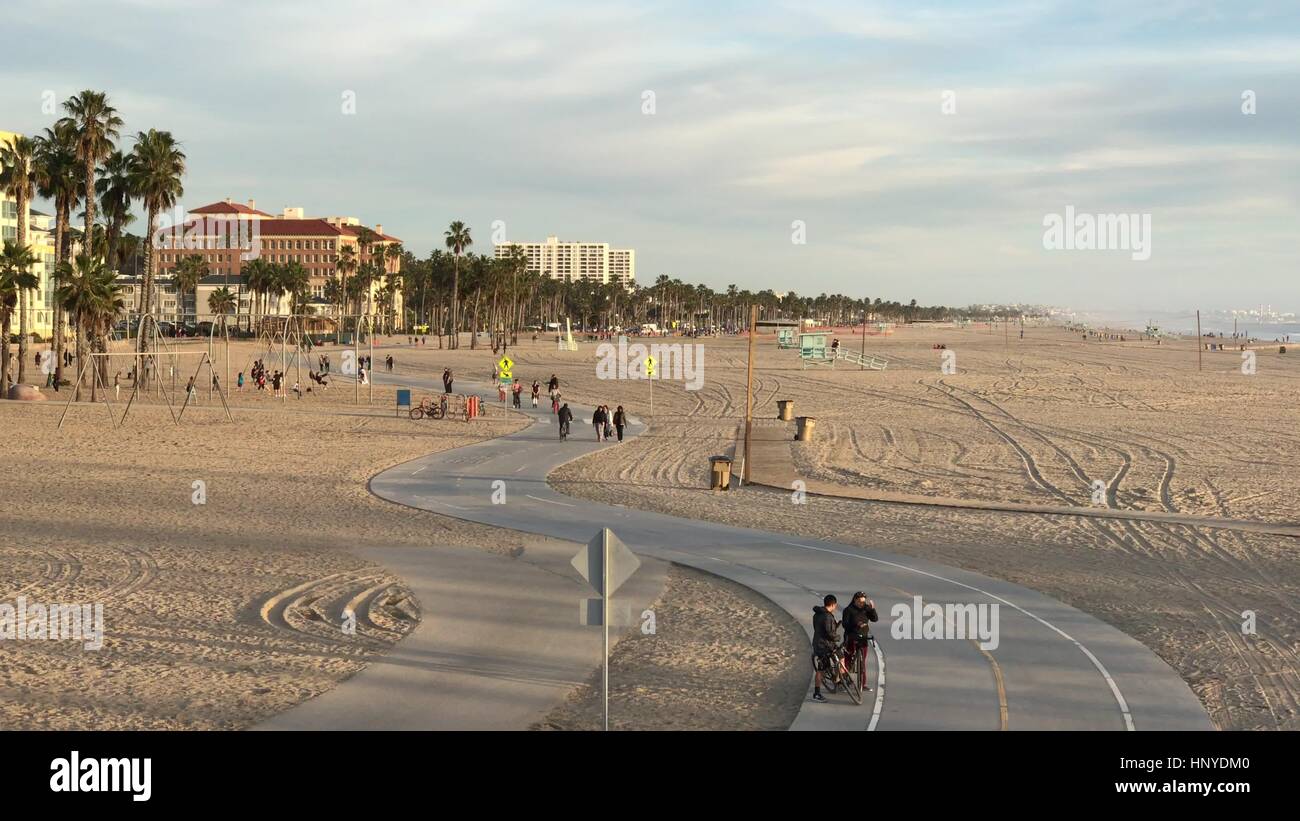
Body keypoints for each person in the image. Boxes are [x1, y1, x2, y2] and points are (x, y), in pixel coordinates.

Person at [841, 592, 879, 692]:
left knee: (862, 662)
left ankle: (863, 684)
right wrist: (856, 625)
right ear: (855, 600)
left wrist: (872, 609)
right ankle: (845, 681)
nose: (862, 604)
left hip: (863, 638)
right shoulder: (848, 610)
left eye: (863, 602)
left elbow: (875, 619)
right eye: (860, 602)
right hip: (851, 637)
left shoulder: (866, 608)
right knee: (848, 660)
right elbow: (845, 625)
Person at [811, 594, 845, 703]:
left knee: (839, 656)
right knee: (821, 669)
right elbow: (830, 633)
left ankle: (838, 680)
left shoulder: (817, 614)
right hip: (824, 646)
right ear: (833, 604)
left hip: (819, 643)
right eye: (835, 605)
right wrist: (838, 637)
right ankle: (817, 693)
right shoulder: (828, 616)